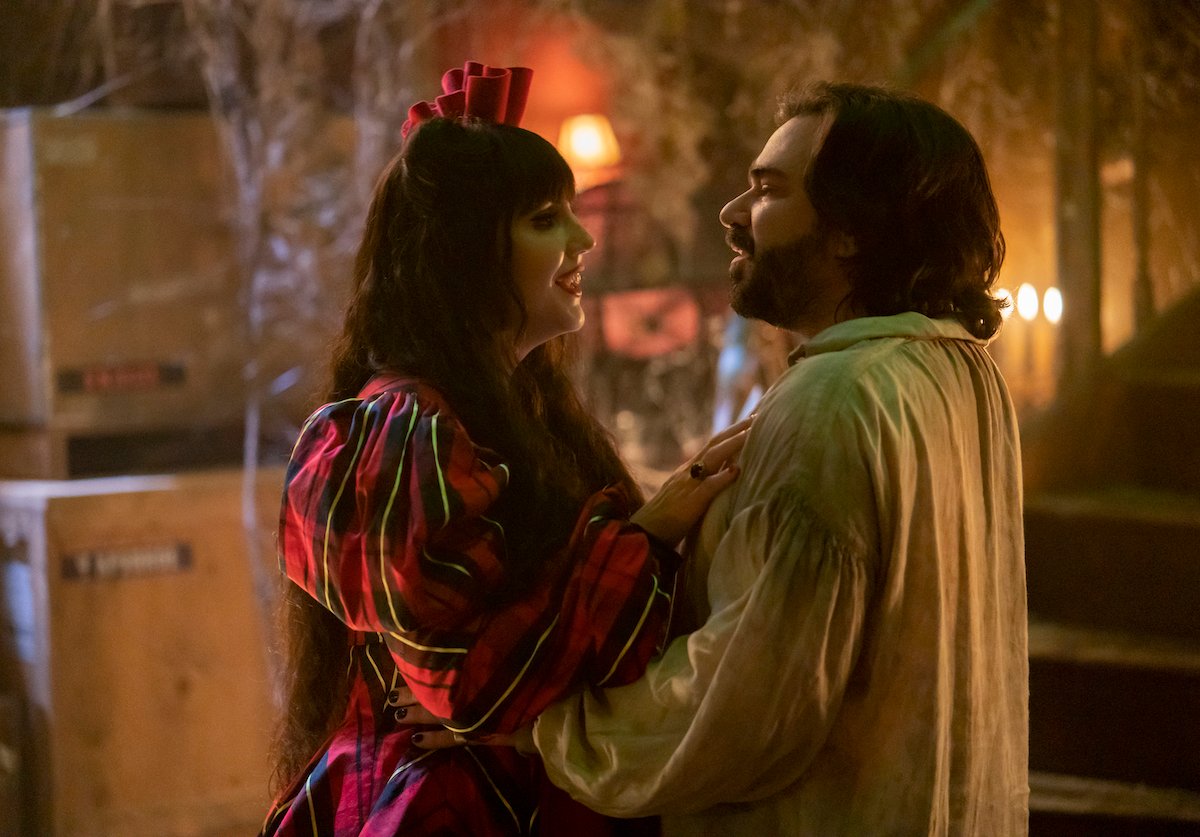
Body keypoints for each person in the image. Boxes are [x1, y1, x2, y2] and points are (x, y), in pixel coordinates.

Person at [410, 81, 1028, 835]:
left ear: (852, 230)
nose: (733, 214)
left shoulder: (834, 400)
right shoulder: (961, 369)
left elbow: (747, 703)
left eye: (768, 191)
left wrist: (536, 728)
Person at [258, 61, 749, 837]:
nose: (583, 239)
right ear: (462, 254)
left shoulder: (525, 412)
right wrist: (650, 531)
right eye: (546, 220)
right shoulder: (402, 434)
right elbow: (470, 684)